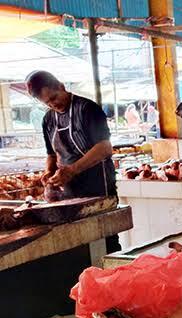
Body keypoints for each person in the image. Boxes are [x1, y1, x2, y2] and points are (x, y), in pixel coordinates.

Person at [26, 70, 119, 252]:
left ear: (61, 86)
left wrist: (72, 170)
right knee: (78, 247)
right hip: (68, 193)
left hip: (98, 188)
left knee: (106, 242)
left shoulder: (87, 109)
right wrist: (49, 172)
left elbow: (105, 147)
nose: (54, 104)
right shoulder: (48, 119)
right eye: (48, 103)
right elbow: (51, 154)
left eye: (54, 97)